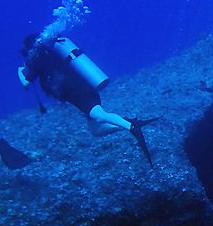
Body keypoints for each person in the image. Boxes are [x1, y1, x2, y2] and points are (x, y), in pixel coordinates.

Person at [18, 34, 157, 165]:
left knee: (100, 115)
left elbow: (26, 83)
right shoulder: (52, 52)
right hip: (83, 88)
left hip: (76, 92)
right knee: (96, 131)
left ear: (31, 48)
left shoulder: (38, 57)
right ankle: (129, 123)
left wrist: (19, 70)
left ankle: (131, 127)